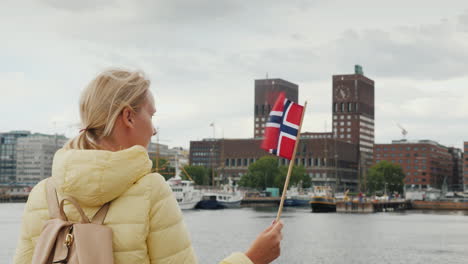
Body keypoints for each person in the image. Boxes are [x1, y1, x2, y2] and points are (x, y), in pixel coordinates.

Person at [14, 69, 283, 264]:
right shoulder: (150, 191)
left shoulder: (44, 193)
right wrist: (251, 259)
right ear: (128, 116)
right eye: (151, 114)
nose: (154, 129)